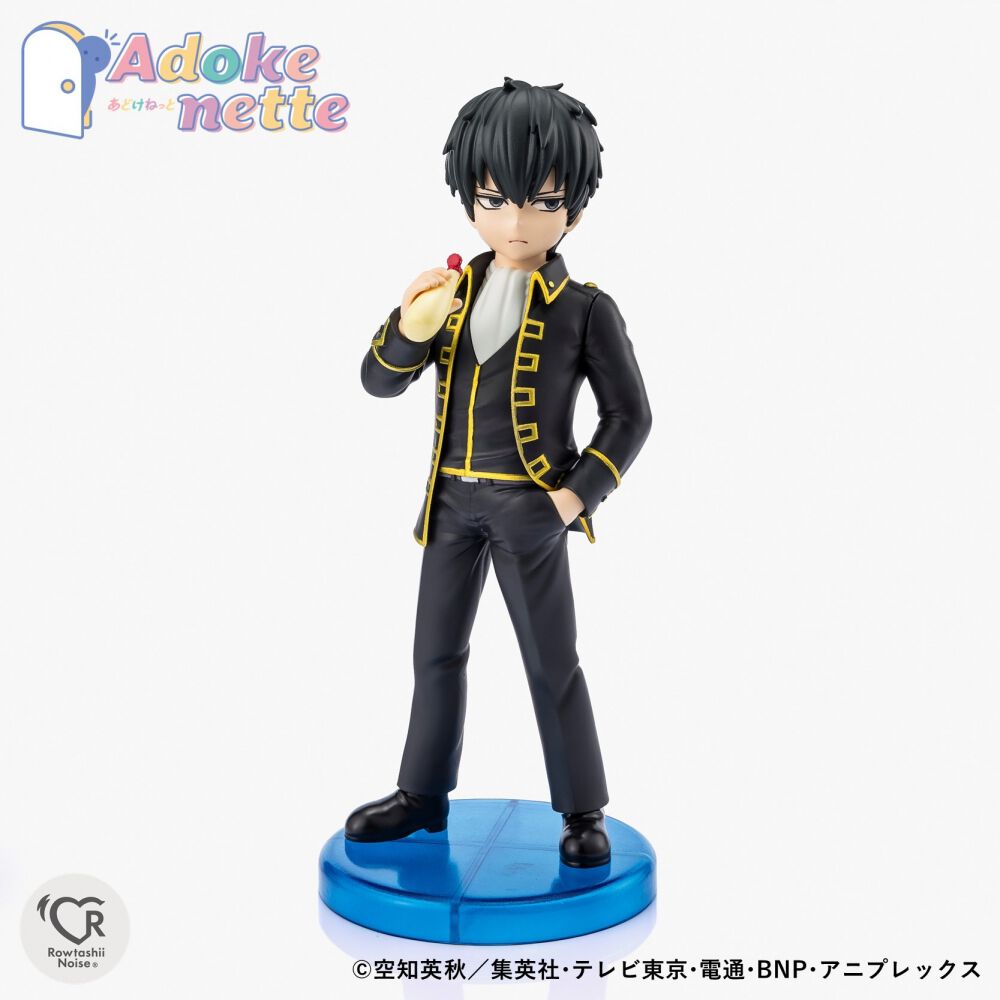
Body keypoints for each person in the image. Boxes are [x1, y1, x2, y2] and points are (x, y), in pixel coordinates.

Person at [345, 78, 652, 867]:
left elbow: (630, 416)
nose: (516, 222)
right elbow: (377, 382)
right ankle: (421, 796)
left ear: (574, 209)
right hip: (450, 501)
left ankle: (582, 809)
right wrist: (411, 325)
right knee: (434, 655)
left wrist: (574, 497)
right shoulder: (448, 292)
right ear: (469, 201)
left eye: (542, 202)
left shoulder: (585, 307)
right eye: (494, 199)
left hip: (530, 507)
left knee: (552, 662)